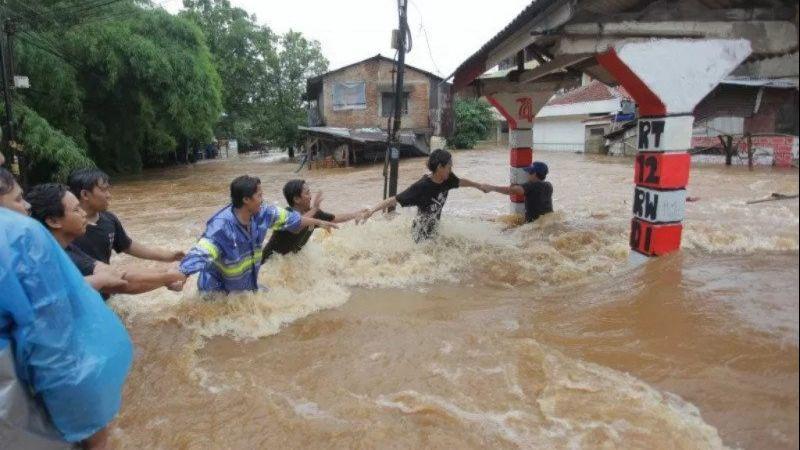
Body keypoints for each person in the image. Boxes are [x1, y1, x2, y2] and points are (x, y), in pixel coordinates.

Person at [0, 207, 133, 449]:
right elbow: (52, 348)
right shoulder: (21, 236)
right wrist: (91, 427)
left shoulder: (92, 231)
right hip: (18, 400)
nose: (27, 205)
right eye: (19, 198)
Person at [178, 175, 338, 293]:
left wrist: (318, 222)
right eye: (259, 196)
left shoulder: (263, 213)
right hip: (216, 292)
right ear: (246, 200)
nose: (263, 200)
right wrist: (183, 275)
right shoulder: (221, 227)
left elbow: (293, 221)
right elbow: (201, 252)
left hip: (246, 286)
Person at [26, 183, 185, 297]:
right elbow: (122, 284)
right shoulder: (46, 257)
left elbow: (112, 272)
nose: (83, 214)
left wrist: (165, 272)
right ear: (53, 221)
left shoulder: (65, 247)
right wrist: (169, 277)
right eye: (76, 210)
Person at [361, 149, 488, 241]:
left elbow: (460, 182)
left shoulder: (448, 178)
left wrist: (478, 185)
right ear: (440, 167)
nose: (451, 168)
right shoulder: (421, 187)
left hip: (435, 231)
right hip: (420, 235)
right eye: (449, 166)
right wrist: (372, 210)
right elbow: (394, 200)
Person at [67, 168, 185, 266]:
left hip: (105, 290)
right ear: (85, 194)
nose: (109, 195)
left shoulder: (109, 220)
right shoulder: (66, 226)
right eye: (104, 190)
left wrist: (168, 256)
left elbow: (128, 246)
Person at [261, 179, 368, 262]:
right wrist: (315, 209)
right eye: (307, 193)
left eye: (310, 192)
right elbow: (297, 224)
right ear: (296, 199)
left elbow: (335, 218)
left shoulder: (314, 212)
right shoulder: (286, 214)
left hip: (289, 261)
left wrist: (356, 214)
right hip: (269, 263)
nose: (310, 197)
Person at [484, 161, 553, 223]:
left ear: (534, 174)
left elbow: (512, 191)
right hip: (547, 221)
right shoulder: (549, 186)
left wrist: (492, 188)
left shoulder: (531, 185)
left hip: (534, 224)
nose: (527, 174)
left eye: (529, 172)